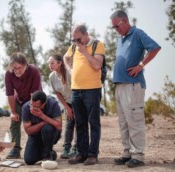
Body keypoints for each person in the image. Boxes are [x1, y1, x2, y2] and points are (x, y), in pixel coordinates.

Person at [110, 10, 161, 168]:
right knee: (123, 122)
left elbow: (155, 48)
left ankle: (138, 155)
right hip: (119, 85)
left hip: (133, 85)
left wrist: (140, 65)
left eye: (117, 26)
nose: (116, 30)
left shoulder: (138, 33)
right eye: (113, 28)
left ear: (125, 21)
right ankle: (127, 153)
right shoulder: (121, 38)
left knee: (134, 121)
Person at [63, 23, 105, 165]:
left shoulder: (97, 45)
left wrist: (85, 52)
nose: (76, 42)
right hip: (76, 90)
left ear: (86, 34)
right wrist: (69, 69)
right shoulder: (74, 46)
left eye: (78, 39)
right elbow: (65, 58)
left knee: (93, 123)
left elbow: (97, 65)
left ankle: (93, 154)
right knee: (80, 123)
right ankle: (82, 153)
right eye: (74, 40)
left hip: (92, 90)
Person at [5, 52, 42, 159]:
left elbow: (33, 95)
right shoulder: (9, 73)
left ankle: (40, 146)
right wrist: (13, 112)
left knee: (35, 122)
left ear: (26, 65)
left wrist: (32, 109)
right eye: (14, 68)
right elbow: (10, 94)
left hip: (35, 99)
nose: (16, 71)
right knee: (14, 122)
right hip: (19, 99)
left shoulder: (34, 71)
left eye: (19, 68)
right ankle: (16, 149)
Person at [48, 54, 77, 159]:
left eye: (52, 63)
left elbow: (75, 89)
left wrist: (74, 107)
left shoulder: (69, 73)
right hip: (67, 102)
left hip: (77, 100)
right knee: (69, 124)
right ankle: (66, 148)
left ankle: (75, 148)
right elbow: (58, 94)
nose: (50, 65)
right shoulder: (52, 76)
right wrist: (67, 107)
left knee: (78, 124)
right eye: (49, 63)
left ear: (60, 63)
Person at [22, 90, 62, 165]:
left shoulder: (53, 104)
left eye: (36, 106)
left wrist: (42, 116)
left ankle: (47, 155)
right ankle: (50, 153)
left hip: (51, 134)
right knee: (29, 160)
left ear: (44, 104)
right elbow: (28, 131)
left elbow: (59, 126)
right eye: (31, 104)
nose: (32, 108)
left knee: (47, 128)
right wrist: (44, 122)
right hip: (35, 135)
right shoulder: (26, 107)